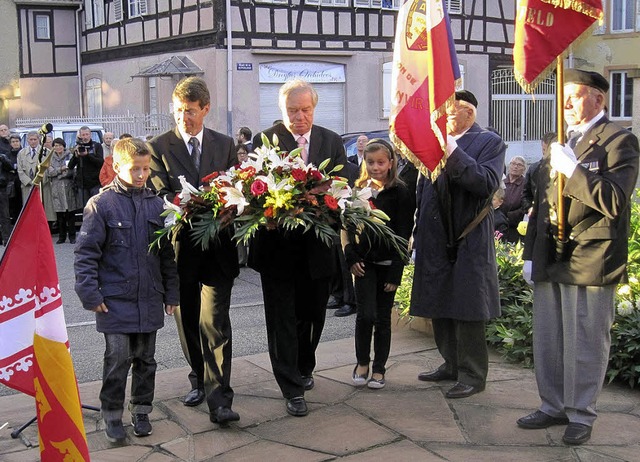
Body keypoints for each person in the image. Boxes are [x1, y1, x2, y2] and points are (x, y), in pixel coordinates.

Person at [517, 69, 639, 445]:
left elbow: (614, 201)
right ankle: (552, 405)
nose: (566, 104)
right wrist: (529, 254)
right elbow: (540, 205)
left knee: (585, 339)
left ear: (598, 99)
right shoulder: (561, 140)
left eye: (575, 95)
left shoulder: (619, 141)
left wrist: (572, 170)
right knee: (550, 337)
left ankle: (581, 413)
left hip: (591, 254)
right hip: (552, 253)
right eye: (563, 97)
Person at [251, 79, 347, 417]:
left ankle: (305, 367)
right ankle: (290, 386)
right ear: (282, 110)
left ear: (314, 108)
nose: (299, 116)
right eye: (292, 110)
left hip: (318, 248)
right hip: (278, 249)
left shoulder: (331, 141)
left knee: (313, 315)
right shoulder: (264, 141)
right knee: (282, 320)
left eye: (305, 110)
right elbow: (254, 190)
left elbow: (341, 191)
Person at [74, 137, 179, 443]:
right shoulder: (101, 204)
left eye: (146, 169)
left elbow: (166, 255)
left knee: (146, 359)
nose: (141, 175)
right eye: (135, 169)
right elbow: (86, 253)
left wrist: (171, 293)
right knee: (117, 358)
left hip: (148, 298)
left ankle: (142, 410)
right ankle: (112, 413)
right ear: (117, 166)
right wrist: (90, 294)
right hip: (115, 300)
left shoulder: (157, 204)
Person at [149, 77, 240, 425]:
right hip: (180, 251)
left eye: (189, 111)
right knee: (189, 321)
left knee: (215, 322)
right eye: (177, 111)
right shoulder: (159, 146)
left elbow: (234, 188)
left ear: (205, 109)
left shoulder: (224, 144)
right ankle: (198, 378)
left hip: (218, 248)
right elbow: (161, 195)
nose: (182, 118)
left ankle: (220, 399)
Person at [410, 90, 505, 399]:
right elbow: (422, 190)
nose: (444, 118)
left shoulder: (489, 142)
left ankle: (473, 374)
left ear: (469, 113)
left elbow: (484, 182)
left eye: (450, 113)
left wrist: (451, 148)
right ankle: (450, 363)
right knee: (439, 303)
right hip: (435, 238)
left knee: (467, 308)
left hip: (467, 238)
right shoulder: (433, 143)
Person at [345, 139, 414, 389]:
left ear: (391, 163)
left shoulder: (401, 192)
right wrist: (350, 256)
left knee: (382, 319)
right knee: (365, 315)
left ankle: (379, 368)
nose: (375, 167)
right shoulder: (358, 190)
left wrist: (396, 271)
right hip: (363, 264)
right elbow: (348, 228)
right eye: (370, 162)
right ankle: (362, 362)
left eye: (381, 162)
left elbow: (404, 233)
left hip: (388, 265)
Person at [47, 138, 80, 244]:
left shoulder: (70, 155)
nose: (58, 147)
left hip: (68, 187)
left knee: (71, 214)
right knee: (60, 215)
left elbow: (72, 170)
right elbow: (50, 172)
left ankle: (72, 236)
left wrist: (60, 173)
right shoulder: (50, 158)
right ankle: (61, 237)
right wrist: (61, 169)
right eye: (56, 145)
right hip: (56, 188)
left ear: (63, 146)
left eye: (60, 145)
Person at [68, 126, 104, 207]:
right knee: (85, 208)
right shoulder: (77, 147)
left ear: (90, 135)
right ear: (80, 136)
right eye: (83, 135)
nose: (85, 137)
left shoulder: (96, 146)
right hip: (82, 184)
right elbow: (70, 166)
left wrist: (87, 155)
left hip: (95, 183)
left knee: (96, 206)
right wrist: (75, 156)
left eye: (87, 134)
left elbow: (100, 162)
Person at [522, 132, 556, 216]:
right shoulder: (534, 169)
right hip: (539, 216)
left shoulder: (565, 168)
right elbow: (526, 194)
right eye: (544, 150)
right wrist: (529, 207)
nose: (547, 153)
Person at [498, 156, 526, 242]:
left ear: (524, 169)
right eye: (513, 164)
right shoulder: (501, 181)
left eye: (519, 165)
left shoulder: (525, 184)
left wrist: (510, 217)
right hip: (499, 224)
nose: (515, 166)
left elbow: (526, 205)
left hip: (516, 227)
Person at [7, 135, 23, 222]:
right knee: (13, 205)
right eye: (13, 142)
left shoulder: (24, 153)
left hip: (22, 182)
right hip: (12, 183)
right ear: (10, 143)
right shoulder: (7, 155)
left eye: (17, 141)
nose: (15, 143)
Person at [0, 151, 13, 245]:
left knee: (5, 215)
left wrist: (3, 159)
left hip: (1, 188)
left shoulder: (2, 157)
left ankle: (7, 238)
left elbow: (10, 167)